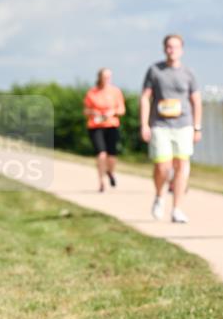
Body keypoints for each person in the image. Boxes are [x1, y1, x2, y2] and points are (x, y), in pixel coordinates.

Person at [140, 34, 202, 223]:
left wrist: (197, 127)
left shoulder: (188, 73)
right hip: (160, 125)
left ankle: (177, 208)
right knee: (163, 166)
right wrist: (144, 124)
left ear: (181, 50)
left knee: (182, 166)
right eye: (168, 46)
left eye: (175, 47)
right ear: (164, 48)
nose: (171, 50)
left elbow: (196, 100)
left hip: (183, 124)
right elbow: (145, 98)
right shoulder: (155, 71)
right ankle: (160, 196)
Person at [83, 68, 126, 192]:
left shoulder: (116, 91)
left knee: (111, 156)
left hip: (112, 125)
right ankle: (101, 183)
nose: (107, 79)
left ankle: (110, 172)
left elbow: (122, 110)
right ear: (99, 77)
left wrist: (112, 112)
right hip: (95, 126)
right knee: (101, 154)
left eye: (109, 77)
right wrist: (93, 112)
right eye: (105, 76)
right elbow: (85, 110)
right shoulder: (92, 92)